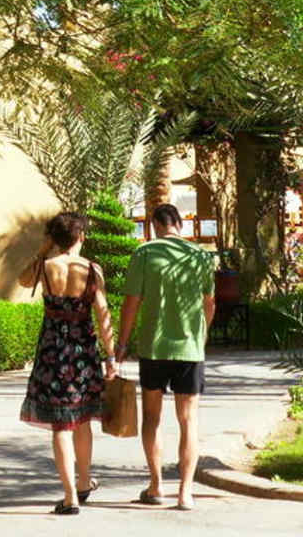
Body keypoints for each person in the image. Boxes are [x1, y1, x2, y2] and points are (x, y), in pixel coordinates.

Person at [114, 203, 216, 510]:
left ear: (155, 225)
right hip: (189, 349)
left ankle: (156, 485)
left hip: (153, 347)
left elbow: (131, 303)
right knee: (189, 420)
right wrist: (201, 335)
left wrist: (122, 343)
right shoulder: (200, 256)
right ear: (179, 225)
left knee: (152, 417)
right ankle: (185, 493)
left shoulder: (144, 253)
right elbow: (209, 303)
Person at [19, 211, 119, 515]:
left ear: (55, 239)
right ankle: (84, 480)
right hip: (83, 350)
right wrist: (111, 356)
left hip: (52, 351)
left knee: (60, 425)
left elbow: (23, 280)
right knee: (82, 418)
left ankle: (70, 495)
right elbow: (103, 314)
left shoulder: (46, 266)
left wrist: (42, 250)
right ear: (81, 237)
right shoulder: (92, 270)